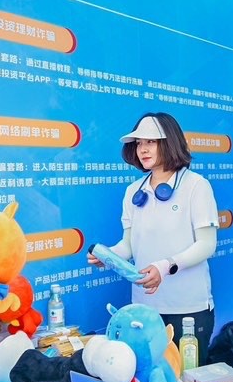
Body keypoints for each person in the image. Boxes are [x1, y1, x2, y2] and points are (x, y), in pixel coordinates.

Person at [88, 112, 219, 363]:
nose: (143, 149)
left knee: (186, 381)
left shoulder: (196, 186)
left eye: (151, 142)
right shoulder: (133, 191)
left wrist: (165, 266)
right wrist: (109, 257)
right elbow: (129, 244)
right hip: (144, 310)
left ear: (170, 142)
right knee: (148, 378)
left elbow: (206, 245)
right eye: (139, 143)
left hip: (187, 308)